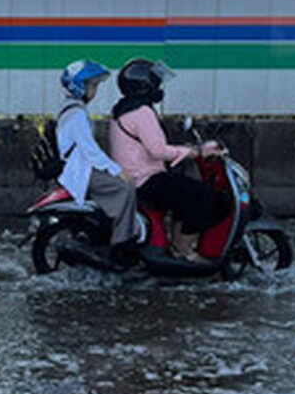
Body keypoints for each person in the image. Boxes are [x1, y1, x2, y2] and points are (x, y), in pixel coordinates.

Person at [108, 58, 226, 262]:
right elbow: (158, 151)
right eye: (156, 83)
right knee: (204, 196)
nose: (159, 88)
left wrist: (186, 150)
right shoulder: (142, 112)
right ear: (145, 86)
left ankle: (177, 245)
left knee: (186, 191)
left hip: (134, 177)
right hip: (145, 180)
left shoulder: (123, 109)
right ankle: (184, 250)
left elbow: (149, 146)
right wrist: (196, 152)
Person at [56, 59, 140, 268]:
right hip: (81, 171)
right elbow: (90, 150)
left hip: (81, 167)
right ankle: (121, 244)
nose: (95, 90)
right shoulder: (75, 114)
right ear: (79, 87)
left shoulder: (73, 109)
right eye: (92, 85)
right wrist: (116, 170)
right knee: (126, 188)